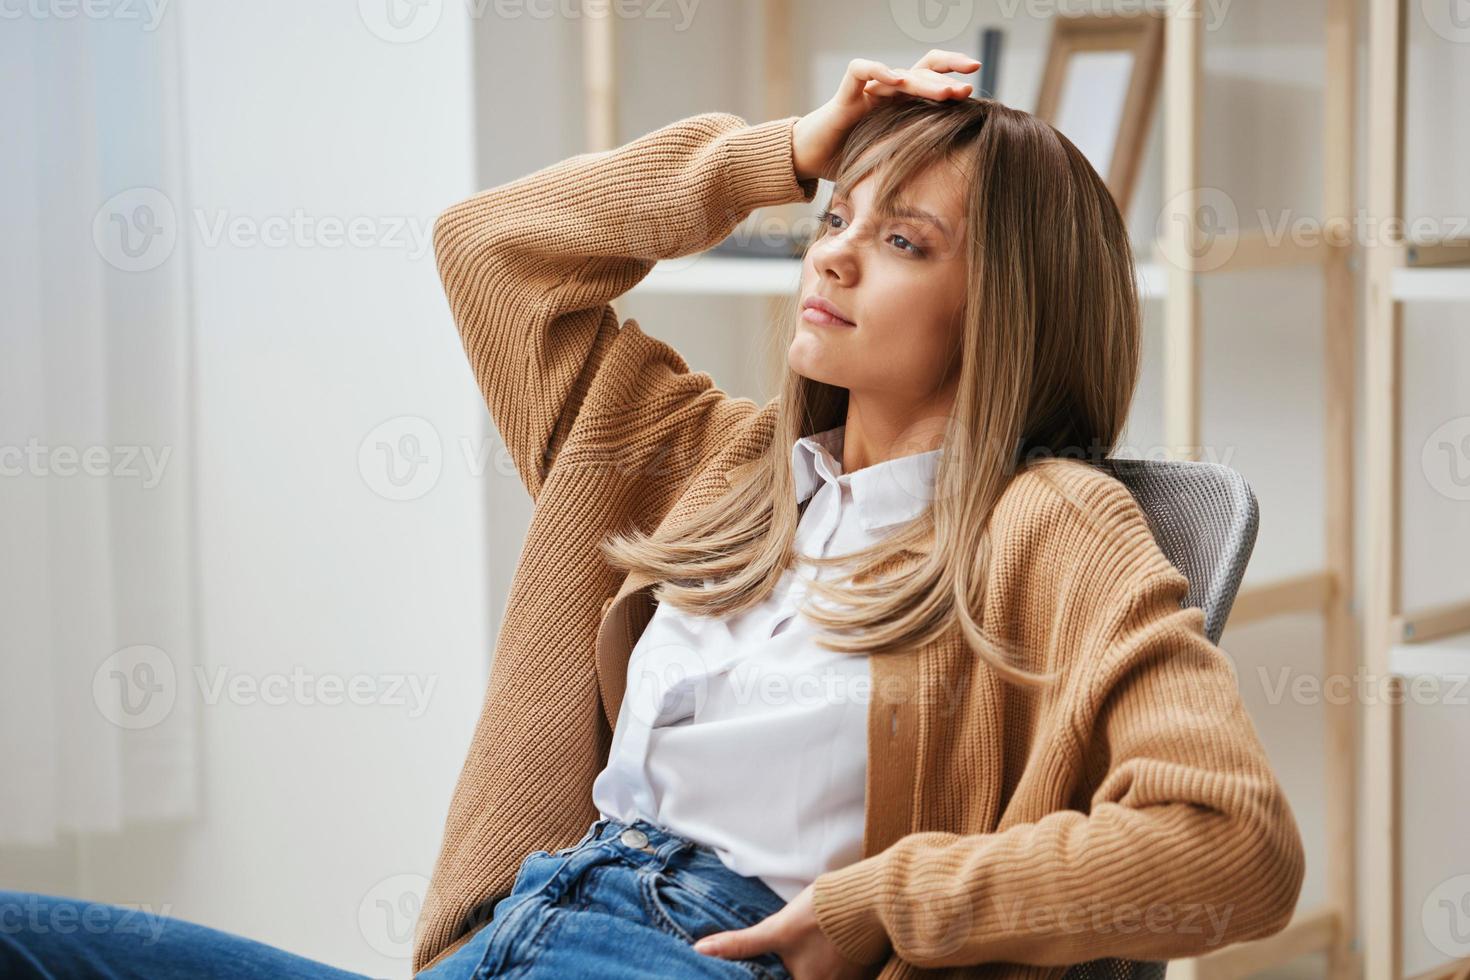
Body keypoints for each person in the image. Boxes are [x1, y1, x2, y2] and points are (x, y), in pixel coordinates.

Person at [0, 50, 1305, 980]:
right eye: (832, 218)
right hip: (517, 935)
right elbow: (491, 249)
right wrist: (777, 153)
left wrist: (889, 907)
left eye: (903, 241)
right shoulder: (698, 459)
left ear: (1012, 302)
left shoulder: (1049, 526)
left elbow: (1228, 846)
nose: (833, 251)